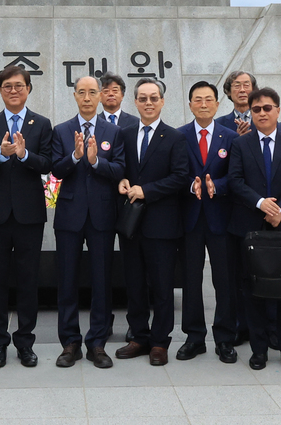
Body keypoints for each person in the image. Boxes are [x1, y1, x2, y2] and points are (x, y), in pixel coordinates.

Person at [0, 65, 53, 368]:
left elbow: (46, 163)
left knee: (27, 280)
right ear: (0, 90)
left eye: (19, 86)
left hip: (29, 215)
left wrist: (22, 155)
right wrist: (0, 153)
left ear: (29, 89)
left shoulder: (41, 124)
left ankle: (25, 342)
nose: (13, 90)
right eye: (7, 86)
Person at [227, 86, 281, 371]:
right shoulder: (240, 143)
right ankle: (258, 350)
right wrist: (262, 204)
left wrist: (280, 209)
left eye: (267, 108)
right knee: (252, 290)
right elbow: (235, 181)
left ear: (278, 110)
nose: (262, 113)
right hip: (249, 225)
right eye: (256, 109)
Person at [113, 79, 189, 367]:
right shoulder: (124, 133)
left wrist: (148, 190)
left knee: (161, 286)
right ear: (134, 102)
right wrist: (120, 179)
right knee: (134, 284)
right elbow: (119, 166)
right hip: (132, 224)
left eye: (153, 98)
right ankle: (139, 337)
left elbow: (181, 176)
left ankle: (159, 342)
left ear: (162, 101)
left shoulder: (175, 137)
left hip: (162, 223)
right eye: (143, 98)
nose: (148, 102)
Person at [50, 75, 123, 369]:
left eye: (93, 92)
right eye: (82, 92)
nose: (88, 98)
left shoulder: (113, 131)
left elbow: (119, 169)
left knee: (101, 280)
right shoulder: (62, 130)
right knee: (66, 279)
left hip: (102, 215)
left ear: (101, 95)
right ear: (75, 96)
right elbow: (55, 169)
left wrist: (95, 162)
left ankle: (97, 342)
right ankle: (70, 342)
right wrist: (75, 156)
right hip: (69, 215)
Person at [178, 81, 239, 364]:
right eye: (197, 99)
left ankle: (225, 338)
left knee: (224, 280)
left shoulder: (231, 137)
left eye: (208, 99)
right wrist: (192, 185)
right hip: (189, 218)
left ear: (217, 104)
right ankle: (194, 337)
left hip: (221, 218)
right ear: (190, 104)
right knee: (191, 280)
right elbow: (176, 174)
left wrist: (219, 186)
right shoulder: (179, 136)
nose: (203, 104)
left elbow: (237, 175)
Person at [217, 71, 256, 135]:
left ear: (253, 90)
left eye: (246, 85)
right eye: (237, 86)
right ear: (229, 91)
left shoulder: (264, 120)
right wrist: (237, 138)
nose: (242, 90)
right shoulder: (219, 124)